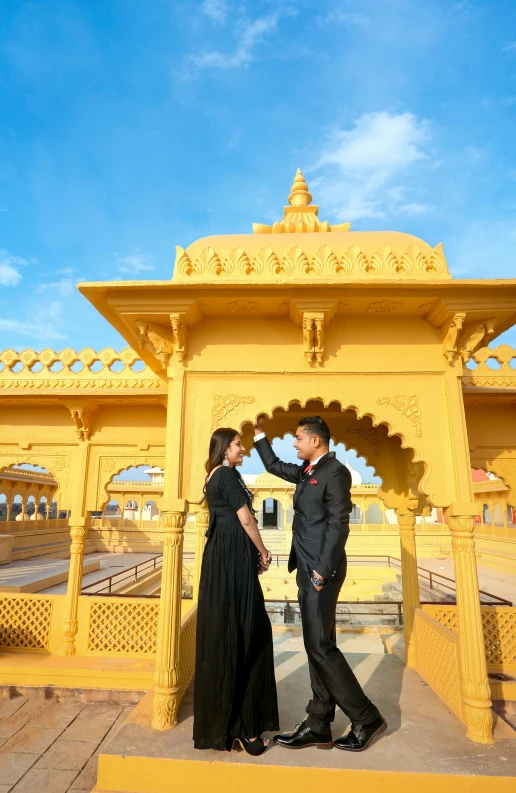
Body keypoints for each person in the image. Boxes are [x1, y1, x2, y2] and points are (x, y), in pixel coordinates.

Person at [254, 415, 386, 752]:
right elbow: (272, 465)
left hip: (320, 571)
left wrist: (320, 572)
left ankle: (366, 717)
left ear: (316, 440)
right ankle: (319, 722)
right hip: (307, 568)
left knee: (320, 647)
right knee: (318, 644)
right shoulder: (306, 471)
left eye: (299, 438)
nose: (294, 443)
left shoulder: (335, 472)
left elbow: (339, 525)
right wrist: (259, 435)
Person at [193, 427, 279, 756]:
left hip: (221, 559)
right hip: (232, 558)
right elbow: (245, 518)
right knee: (250, 634)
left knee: (228, 633)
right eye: (238, 445)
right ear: (224, 448)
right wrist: (262, 551)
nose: (243, 450)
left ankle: (225, 727)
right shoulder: (227, 476)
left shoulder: (212, 476)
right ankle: (246, 729)